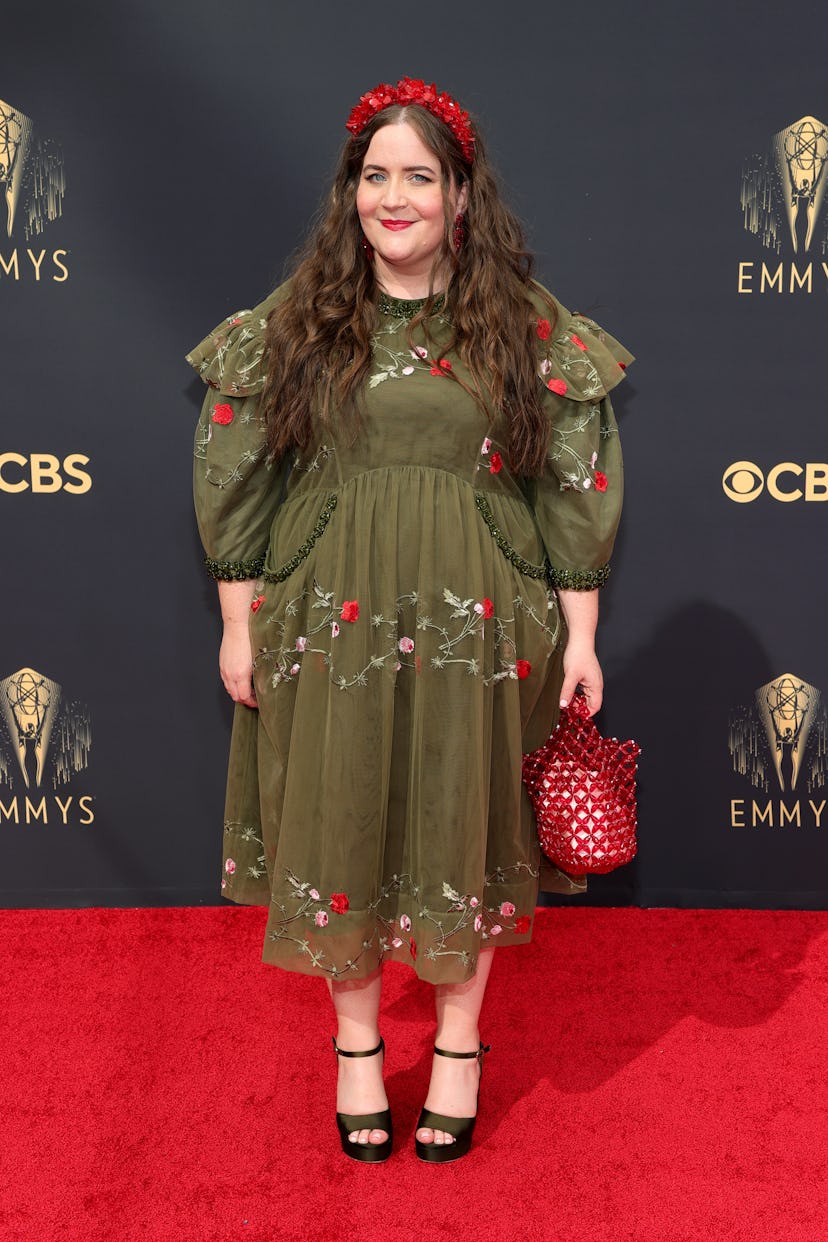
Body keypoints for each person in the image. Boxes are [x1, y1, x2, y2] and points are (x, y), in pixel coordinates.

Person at [187, 76, 633, 1164]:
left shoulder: (523, 328)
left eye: (418, 178)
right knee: (339, 823)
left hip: (479, 619)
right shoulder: (296, 321)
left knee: (462, 826)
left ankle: (459, 1050)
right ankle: (354, 1052)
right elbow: (234, 474)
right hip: (324, 616)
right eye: (374, 176)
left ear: (461, 197)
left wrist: (579, 637)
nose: (395, 197)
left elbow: (575, 479)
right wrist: (237, 621)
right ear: (351, 196)